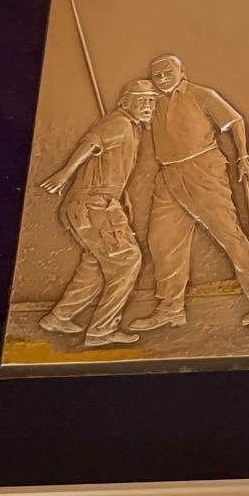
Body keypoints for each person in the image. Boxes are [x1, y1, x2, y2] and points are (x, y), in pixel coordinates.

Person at [130, 54, 249, 331]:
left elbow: (235, 121)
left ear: (182, 72)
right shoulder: (153, 102)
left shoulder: (200, 94)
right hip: (168, 175)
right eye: (157, 75)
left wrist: (243, 157)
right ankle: (170, 309)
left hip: (202, 170)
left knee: (229, 235)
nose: (163, 78)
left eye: (168, 72)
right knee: (163, 240)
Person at [37, 80, 158, 347]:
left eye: (151, 100)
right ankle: (102, 331)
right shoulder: (119, 123)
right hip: (94, 206)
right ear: (125, 102)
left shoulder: (131, 127)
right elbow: (91, 143)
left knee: (95, 263)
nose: (148, 105)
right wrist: (63, 174)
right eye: (141, 100)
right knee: (127, 261)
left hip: (97, 205)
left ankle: (58, 317)